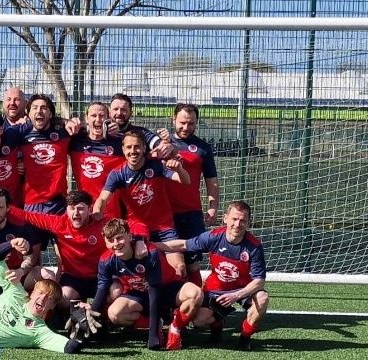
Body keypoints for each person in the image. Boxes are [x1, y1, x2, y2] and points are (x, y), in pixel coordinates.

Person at [157, 201, 269, 351]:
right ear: (225, 218)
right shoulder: (214, 237)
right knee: (198, 321)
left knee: (262, 298)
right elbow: (184, 245)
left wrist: (236, 295)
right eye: (234, 219)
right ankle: (217, 323)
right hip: (217, 288)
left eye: (243, 220)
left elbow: (259, 281)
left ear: (248, 223)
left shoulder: (254, 246)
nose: (237, 224)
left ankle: (245, 337)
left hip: (243, 289)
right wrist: (154, 245)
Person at [90, 219, 200, 351]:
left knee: (196, 293)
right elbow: (101, 289)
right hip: (140, 294)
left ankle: (175, 328)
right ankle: (158, 323)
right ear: (105, 242)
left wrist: (152, 336)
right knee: (114, 313)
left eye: (119, 238)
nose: (116, 244)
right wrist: (89, 319)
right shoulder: (106, 260)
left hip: (168, 287)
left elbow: (155, 291)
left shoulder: (149, 252)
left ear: (129, 236)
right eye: (111, 240)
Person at [93, 131, 190, 276]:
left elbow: (186, 181)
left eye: (137, 147)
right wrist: (97, 212)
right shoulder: (117, 174)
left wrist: (179, 169)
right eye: (129, 147)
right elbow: (102, 199)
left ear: (144, 148)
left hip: (164, 227)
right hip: (136, 228)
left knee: (180, 268)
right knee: (140, 270)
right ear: (123, 149)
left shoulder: (156, 166)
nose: (133, 151)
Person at [6, 190, 111, 309]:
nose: (76, 213)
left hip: (99, 276)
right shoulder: (60, 224)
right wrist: (5, 208)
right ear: (66, 210)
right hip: (72, 278)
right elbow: (29, 216)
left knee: (115, 293)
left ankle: (98, 312)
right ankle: (83, 309)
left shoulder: (102, 224)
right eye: (72, 208)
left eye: (80, 208)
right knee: (63, 299)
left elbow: (125, 226)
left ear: (90, 209)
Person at [164, 103, 218, 286]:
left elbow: (212, 181)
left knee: (192, 264)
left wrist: (213, 208)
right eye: (182, 122)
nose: (186, 127)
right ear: (173, 119)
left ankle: (196, 300)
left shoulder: (203, 148)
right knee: (169, 263)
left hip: (191, 213)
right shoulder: (161, 145)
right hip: (163, 214)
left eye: (191, 123)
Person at [68, 102, 125, 220]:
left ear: (108, 119)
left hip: (111, 210)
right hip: (84, 209)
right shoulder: (75, 141)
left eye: (102, 116)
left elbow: (139, 141)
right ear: (86, 118)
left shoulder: (119, 143)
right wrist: (67, 121)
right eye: (93, 115)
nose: (98, 119)